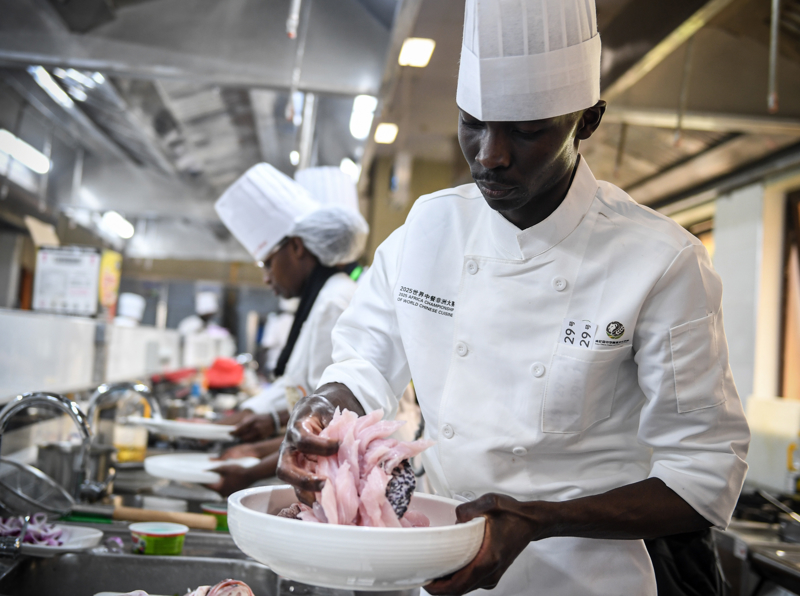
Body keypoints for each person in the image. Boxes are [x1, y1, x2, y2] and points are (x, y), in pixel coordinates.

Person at [276, 1, 750, 594]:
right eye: (472, 122)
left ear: (588, 121)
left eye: (526, 131)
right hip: (439, 566)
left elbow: (704, 474)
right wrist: (323, 407)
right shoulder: (429, 229)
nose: (489, 155)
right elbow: (365, 362)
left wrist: (540, 520)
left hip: (586, 584)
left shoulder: (662, 261)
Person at [208, 163, 368, 495]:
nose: (266, 277)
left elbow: (331, 418)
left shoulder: (334, 301)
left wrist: (252, 466)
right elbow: (300, 389)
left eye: (267, 262)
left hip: (351, 474)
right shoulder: (323, 297)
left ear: (297, 247)